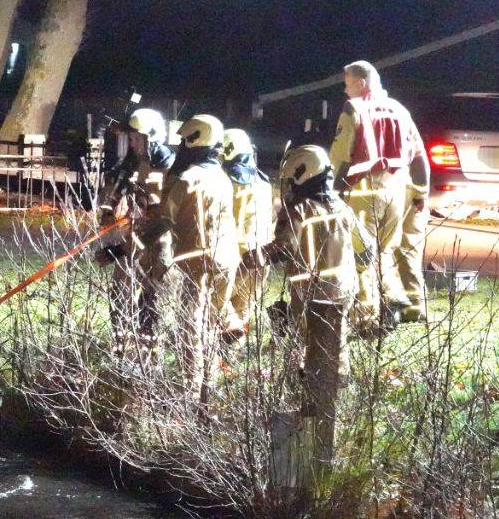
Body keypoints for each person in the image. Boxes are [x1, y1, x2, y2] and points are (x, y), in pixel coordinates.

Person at [247, 144, 359, 479]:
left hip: (313, 299)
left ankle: (315, 443)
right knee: (334, 363)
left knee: (308, 368)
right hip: (341, 296)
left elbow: (282, 248)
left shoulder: (300, 212)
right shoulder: (342, 207)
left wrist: (251, 258)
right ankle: (332, 429)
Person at [328, 60, 420, 330]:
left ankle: (367, 319)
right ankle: (393, 297)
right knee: (385, 249)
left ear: (361, 82)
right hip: (397, 187)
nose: (345, 90)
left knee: (361, 252)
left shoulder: (353, 108)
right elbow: (416, 152)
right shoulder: (400, 109)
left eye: (347, 84)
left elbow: (341, 154)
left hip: (365, 189)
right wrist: (419, 190)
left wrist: (332, 187)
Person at [154, 114, 242, 399]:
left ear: (194, 141)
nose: (180, 146)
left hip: (198, 262)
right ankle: (210, 390)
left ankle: (190, 394)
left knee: (190, 326)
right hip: (227, 259)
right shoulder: (222, 177)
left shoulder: (187, 178)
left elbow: (164, 219)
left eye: (183, 140)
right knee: (213, 324)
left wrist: (130, 245)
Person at [95, 107, 176, 342]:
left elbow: (165, 214)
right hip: (132, 238)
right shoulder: (132, 165)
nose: (132, 144)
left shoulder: (170, 167)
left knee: (153, 297)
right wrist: (110, 207)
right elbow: (118, 192)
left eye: (137, 138)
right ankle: (121, 343)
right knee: (120, 291)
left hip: (159, 242)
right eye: (130, 138)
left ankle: (149, 347)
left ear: (151, 137)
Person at [221, 127, 274, 333]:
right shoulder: (264, 181)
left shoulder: (226, 180)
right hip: (261, 256)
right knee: (242, 312)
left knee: (216, 309)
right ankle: (232, 361)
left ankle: (212, 362)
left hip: (236, 256)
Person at [396, 114, 430, 322]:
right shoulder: (402, 116)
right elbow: (420, 158)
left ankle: (408, 307)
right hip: (411, 190)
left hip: (392, 192)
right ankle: (414, 307)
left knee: (385, 250)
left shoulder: (361, 115)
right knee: (409, 250)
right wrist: (421, 193)